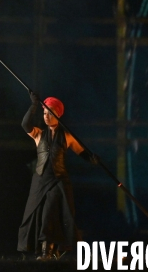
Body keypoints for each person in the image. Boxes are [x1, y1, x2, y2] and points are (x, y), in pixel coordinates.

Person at [17, 92, 98, 260]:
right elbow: (25, 124)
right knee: (36, 213)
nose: (46, 117)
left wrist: (93, 159)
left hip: (58, 180)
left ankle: (48, 250)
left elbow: (82, 152)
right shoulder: (38, 134)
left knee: (50, 212)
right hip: (40, 181)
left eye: (50, 113)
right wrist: (34, 105)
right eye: (44, 113)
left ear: (58, 115)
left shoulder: (66, 136)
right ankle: (44, 249)